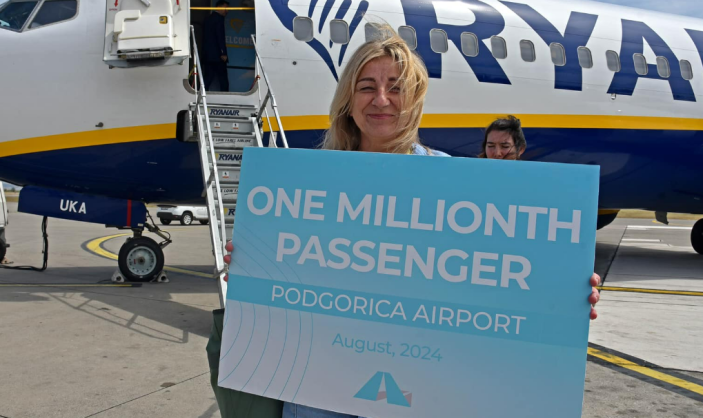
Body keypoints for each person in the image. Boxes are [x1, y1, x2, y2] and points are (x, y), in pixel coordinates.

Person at [221, 25, 601, 418]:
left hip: (420, 389)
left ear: (415, 99)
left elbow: (497, 273)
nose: (381, 99)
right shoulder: (305, 182)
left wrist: (559, 289)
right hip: (318, 389)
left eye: (397, 87)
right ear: (348, 99)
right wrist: (254, 265)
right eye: (366, 87)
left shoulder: (457, 181)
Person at [202, 0, 230, 92]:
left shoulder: (208, 18)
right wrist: (223, 53)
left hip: (207, 55)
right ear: (219, 7)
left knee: (208, 78)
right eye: (225, 8)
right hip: (218, 56)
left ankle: (201, 94)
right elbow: (220, 37)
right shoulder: (219, 19)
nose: (227, 11)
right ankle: (226, 97)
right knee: (223, 80)